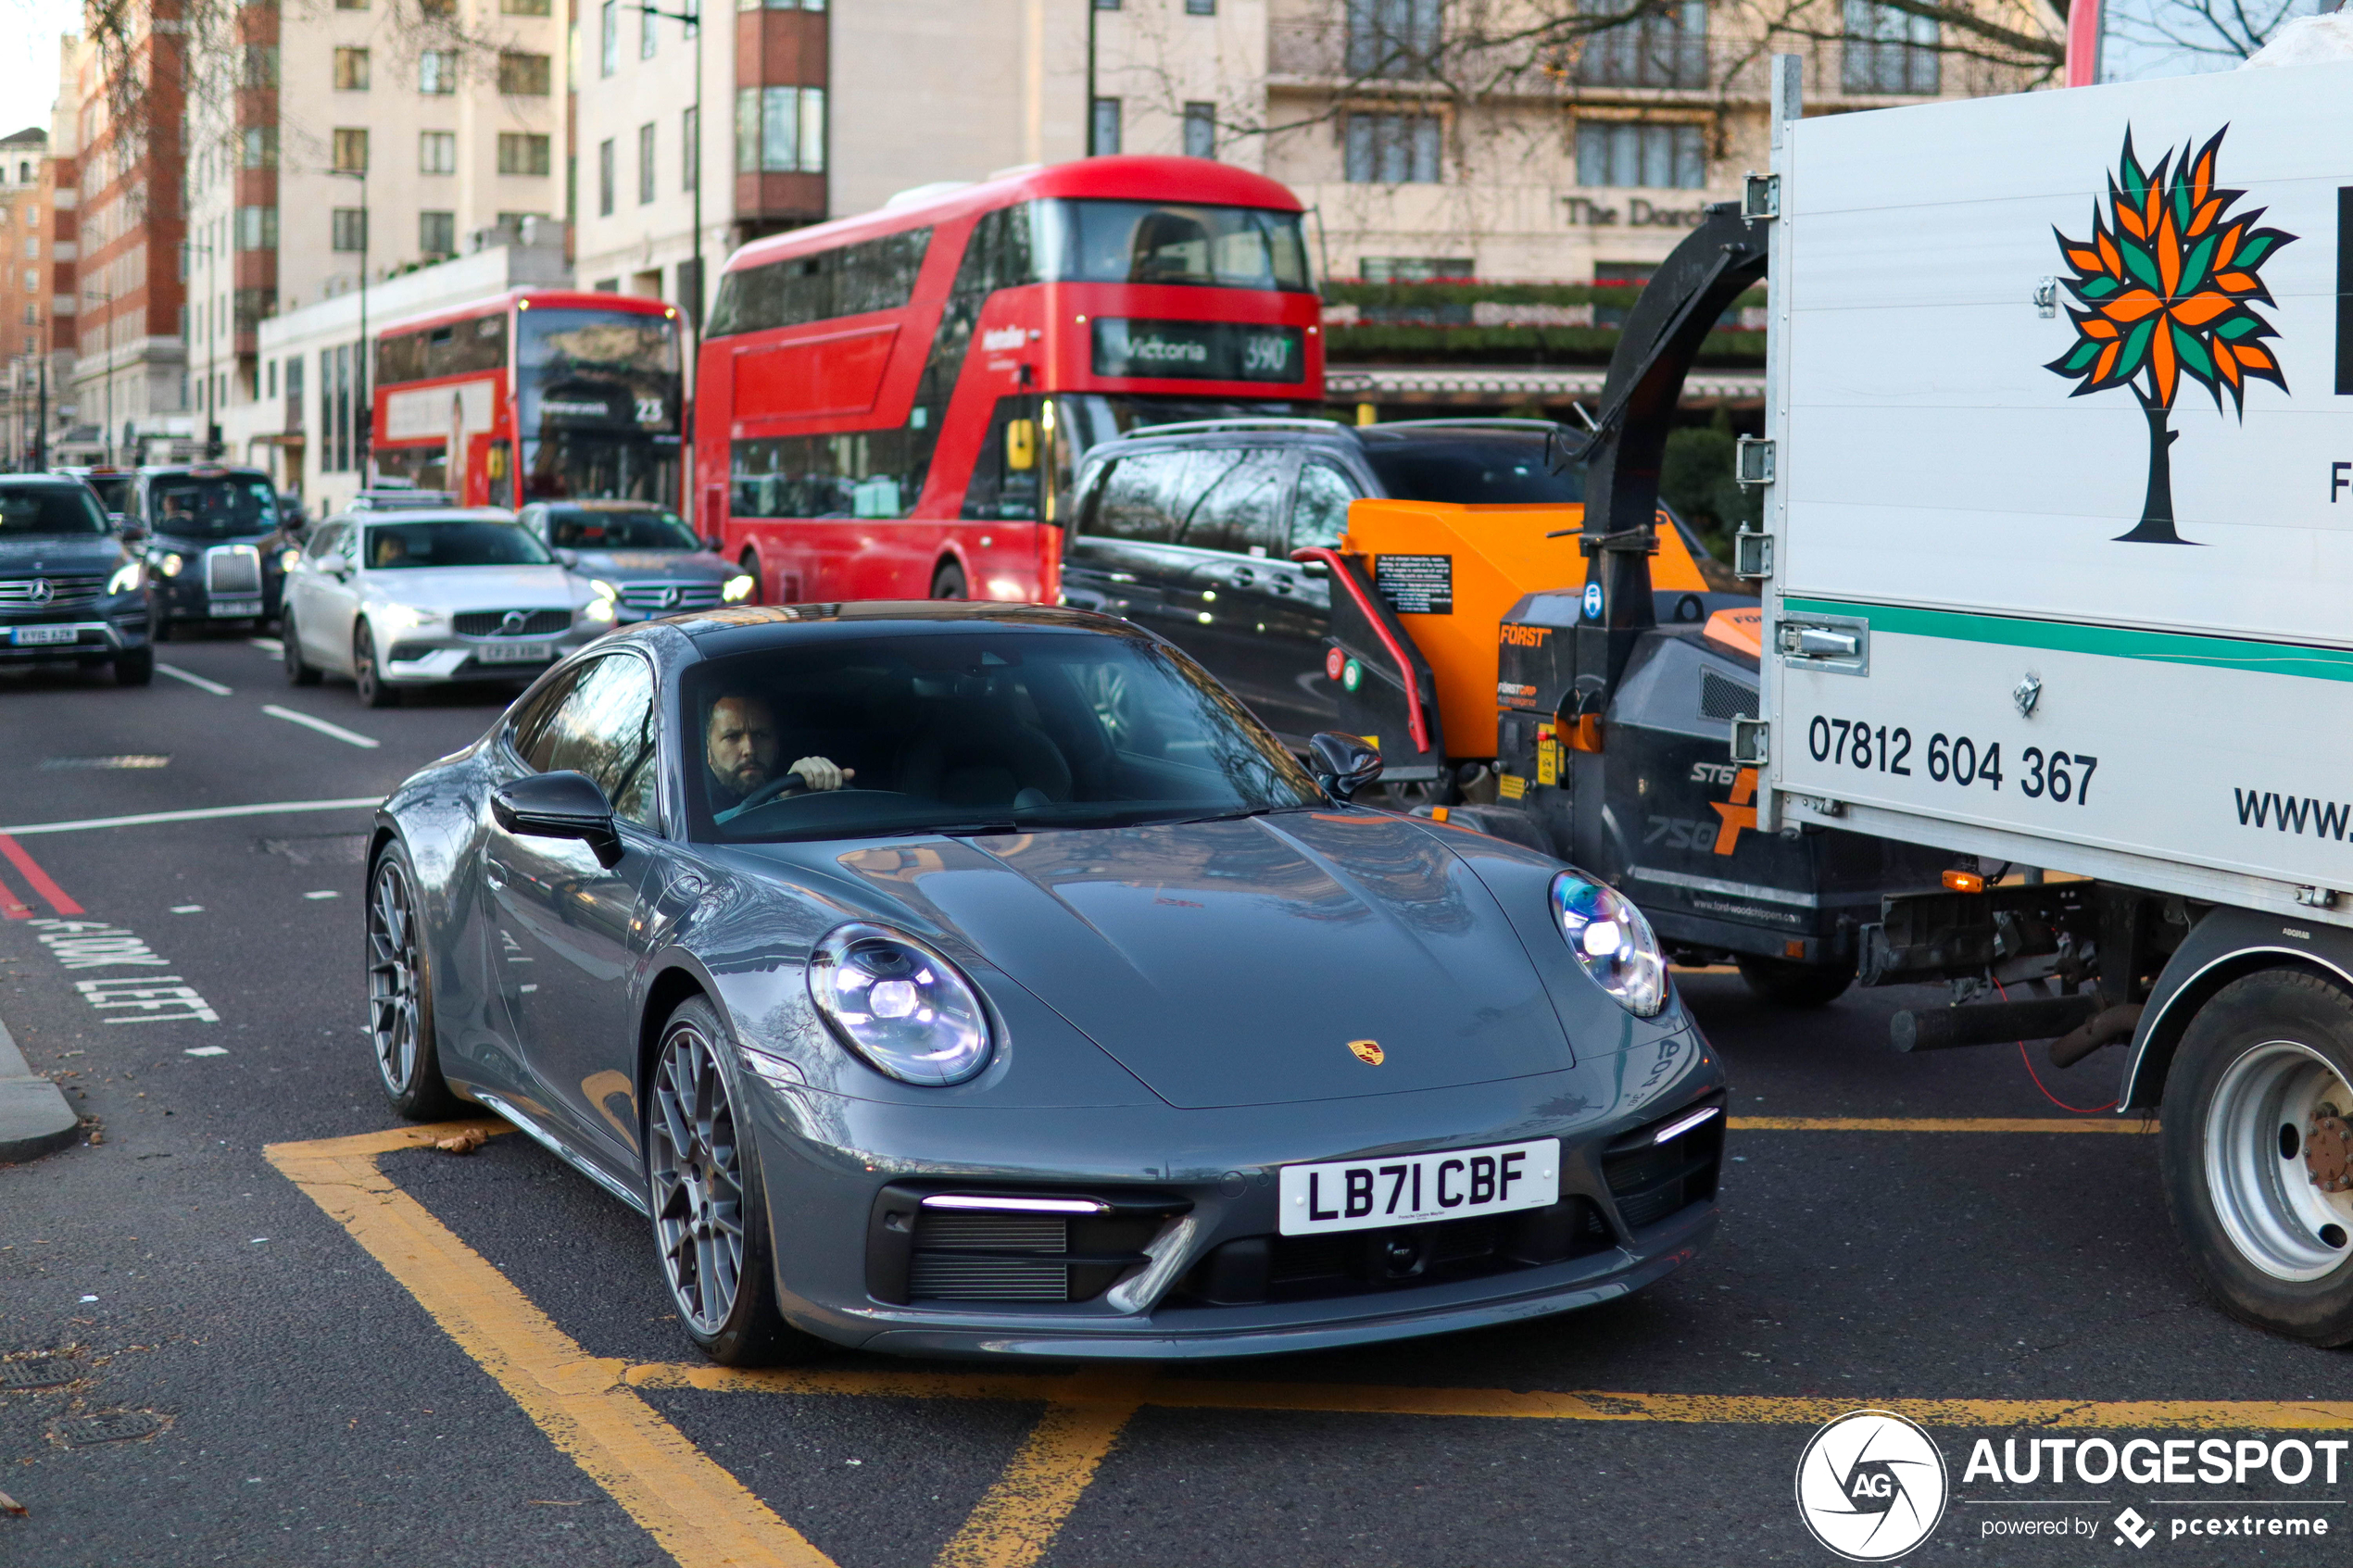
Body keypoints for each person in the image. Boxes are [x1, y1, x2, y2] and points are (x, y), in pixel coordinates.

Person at [704, 692, 852, 812]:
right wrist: (780, 800)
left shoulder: (799, 787)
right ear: (709, 752)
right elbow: (708, 829)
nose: (749, 749)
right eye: (732, 737)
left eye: (761, 735)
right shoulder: (688, 799)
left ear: (777, 745)